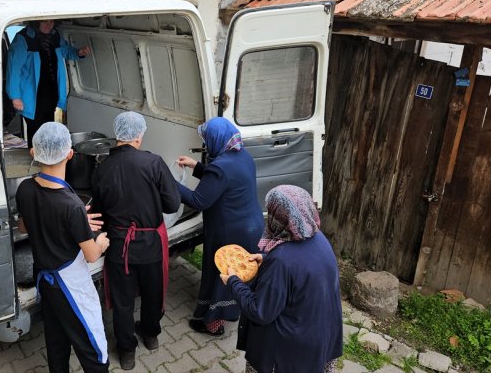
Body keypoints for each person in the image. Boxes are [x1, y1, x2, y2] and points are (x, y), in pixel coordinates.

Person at [15, 122, 110, 373]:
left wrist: (75, 223)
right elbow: (91, 255)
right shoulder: (71, 205)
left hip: (44, 280)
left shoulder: (25, 187)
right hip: (69, 285)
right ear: (70, 154)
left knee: (56, 341)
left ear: (34, 152)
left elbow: (24, 227)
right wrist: (99, 241)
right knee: (93, 346)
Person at [91, 111, 181, 370]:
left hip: (119, 246)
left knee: (123, 301)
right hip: (151, 244)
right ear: (139, 137)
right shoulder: (153, 163)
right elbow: (172, 203)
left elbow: (98, 214)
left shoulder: (101, 169)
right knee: (153, 293)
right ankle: (151, 336)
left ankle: (127, 352)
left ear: (117, 136)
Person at [220, 185, 343, 373]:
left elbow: (260, 311)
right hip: (319, 340)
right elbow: (302, 271)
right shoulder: (320, 240)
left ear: (279, 218)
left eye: (271, 212)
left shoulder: (282, 260)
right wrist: (266, 259)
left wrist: (233, 282)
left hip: (288, 355)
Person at [175, 117, 263, 336]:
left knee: (223, 273)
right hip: (251, 225)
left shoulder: (221, 167)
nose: (205, 144)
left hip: (230, 230)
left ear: (215, 139)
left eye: (206, 139)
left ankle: (213, 324)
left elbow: (198, 200)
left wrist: (168, 182)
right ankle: (241, 308)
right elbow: (221, 178)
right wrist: (196, 166)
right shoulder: (243, 155)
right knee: (239, 271)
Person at [6, 19, 90, 147]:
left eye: (51, 22)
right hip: (32, 96)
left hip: (51, 92)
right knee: (35, 129)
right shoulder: (23, 39)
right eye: (44, 21)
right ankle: (36, 158)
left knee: (48, 127)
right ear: (35, 22)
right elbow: (14, 69)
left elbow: (65, 50)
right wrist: (15, 96)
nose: (48, 25)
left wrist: (79, 52)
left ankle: (47, 159)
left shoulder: (54, 36)